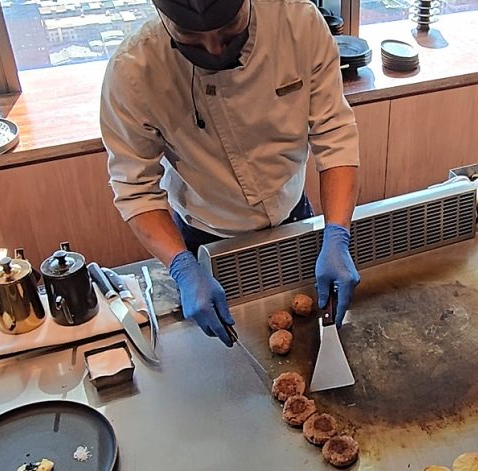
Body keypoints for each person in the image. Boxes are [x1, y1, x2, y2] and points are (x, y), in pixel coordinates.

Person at [100, 0, 361, 347]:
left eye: (229, 30)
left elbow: (334, 134)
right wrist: (182, 268)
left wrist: (337, 233)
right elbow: (136, 190)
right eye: (191, 37)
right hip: (203, 239)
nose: (214, 49)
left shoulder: (297, 23)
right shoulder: (133, 71)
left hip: (294, 217)